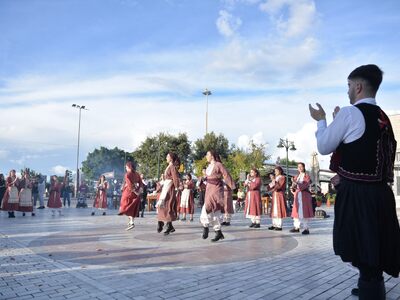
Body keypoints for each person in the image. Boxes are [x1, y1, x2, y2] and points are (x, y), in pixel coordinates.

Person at [309, 64, 400, 299]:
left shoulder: (351, 113)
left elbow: (324, 145)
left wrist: (321, 121)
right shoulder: (383, 118)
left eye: (349, 86)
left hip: (358, 195)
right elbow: (362, 149)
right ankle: (372, 287)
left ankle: (371, 291)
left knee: (361, 248)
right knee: (374, 248)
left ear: (358, 86)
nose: (348, 91)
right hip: (381, 194)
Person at [200, 150, 235, 242]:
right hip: (208, 189)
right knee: (214, 212)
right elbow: (207, 179)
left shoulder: (218, 164)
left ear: (212, 156)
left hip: (216, 189)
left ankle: (206, 227)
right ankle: (218, 232)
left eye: (207, 154)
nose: (206, 156)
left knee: (207, 208)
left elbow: (226, 175)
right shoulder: (208, 167)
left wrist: (232, 185)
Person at [156, 152, 180, 235]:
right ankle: (168, 225)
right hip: (166, 188)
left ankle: (167, 225)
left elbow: (175, 178)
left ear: (171, 158)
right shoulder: (169, 166)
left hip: (169, 189)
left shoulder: (172, 166)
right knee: (163, 206)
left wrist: (176, 188)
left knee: (167, 206)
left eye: (167, 156)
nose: (166, 158)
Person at [289, 162, 313, 234]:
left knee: (304, 212)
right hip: (297, 195)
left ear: (304, 167)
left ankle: (306, 228)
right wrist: (292, 186)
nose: (299, 168)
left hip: (304, 195)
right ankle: (296, 227)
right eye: (298, 167)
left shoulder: (306, 176)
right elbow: (294, 185)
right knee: (296, 211)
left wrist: (296, 183)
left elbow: (304, 186)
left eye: (301, 167)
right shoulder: (297, 176)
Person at [118, 161, 143, 230]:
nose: (125, 168)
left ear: (129, 167)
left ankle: (131, 222)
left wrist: (135, 191)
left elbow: (129, 185)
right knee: (132, 207)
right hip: (135, 193)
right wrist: (139, 190)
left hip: (128, 192)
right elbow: (141, 183)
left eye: (126, 167)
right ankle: (131, 221)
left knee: (125, 206)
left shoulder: (127, 174)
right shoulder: (137, 174)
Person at [267, 166, 286, 231]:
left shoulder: (282, 177)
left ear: (280, 171)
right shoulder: (275, 178)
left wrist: (274, 182)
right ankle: (274, 224)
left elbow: (279, 186)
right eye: (275, 171)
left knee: (278, 209)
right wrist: (272, 182)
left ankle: (279, 225)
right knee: (274, 210)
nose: (275, 172)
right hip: (274, 195)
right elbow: (269, 187)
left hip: (279, 194)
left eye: (277, 171)